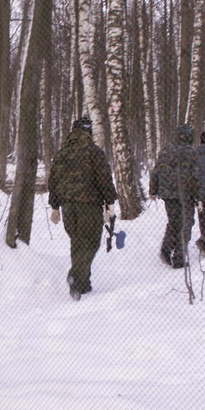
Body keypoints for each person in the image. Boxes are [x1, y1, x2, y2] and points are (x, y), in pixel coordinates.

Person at [48, 116, 118, 300]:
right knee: (91, 243)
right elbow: (104, 178)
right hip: (89, 205)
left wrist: (55, 206)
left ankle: (82, 285)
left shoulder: (62, 153)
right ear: (88, 131)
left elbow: (53, 181)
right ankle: (76, 275)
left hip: (67, 206)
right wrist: (110, 202)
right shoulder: (93, 152)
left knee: (78, 243)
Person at [149, 124, 200, 268]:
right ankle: (179, 257)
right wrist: (198, 196)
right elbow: (196, 176)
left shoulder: (166, 150)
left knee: (174, 223)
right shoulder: (191, 152)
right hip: (185, 195)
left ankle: (166, 250)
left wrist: (153, 190)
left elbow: (156, 171)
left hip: (168, 194)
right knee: (186, 224)